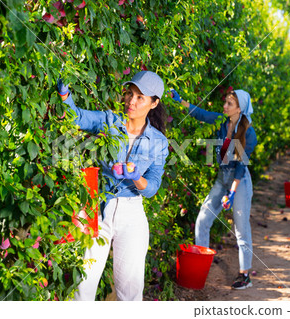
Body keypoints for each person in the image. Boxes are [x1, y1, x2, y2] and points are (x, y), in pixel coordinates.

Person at [57, 70, 169, 301]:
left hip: (132, 213)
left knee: (130, 291)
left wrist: (136, 177)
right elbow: (76, 117)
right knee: (82, 286)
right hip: (96, 206)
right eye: (130, 93)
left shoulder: (159, 142)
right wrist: (65, 94)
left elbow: (153, 187)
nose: (131, 101)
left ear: (154, 103)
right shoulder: (109, 121)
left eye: (140, 97)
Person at [171, 88, 257, 289]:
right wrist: (180, 101)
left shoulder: (249, 133)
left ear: (239, 109)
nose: (224, 106)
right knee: (203, 219)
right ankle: (200, 267)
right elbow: (200, 113)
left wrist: (232, 193)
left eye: (229, 104)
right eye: (225, 102)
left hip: (240, 181)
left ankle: (245, 275)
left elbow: (241, 167)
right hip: (222, 178)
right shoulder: (221, 121)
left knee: (241, 228)